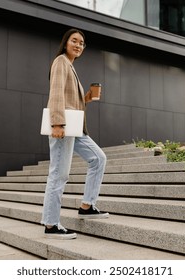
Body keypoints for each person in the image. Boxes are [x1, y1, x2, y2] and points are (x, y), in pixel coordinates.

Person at [41, 28, 109, 240]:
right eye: (74, 41)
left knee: (98, 158)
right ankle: (51, 225)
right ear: (66, 42)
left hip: (75, 126)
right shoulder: (61, 61)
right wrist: (57, 123)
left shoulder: (70, 66)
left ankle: (87, 206)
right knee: (59, 174)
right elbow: (56, 92)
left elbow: (71, 98)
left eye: (82, 43)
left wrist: (87, 97)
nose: (78, 45)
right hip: (63, 124)